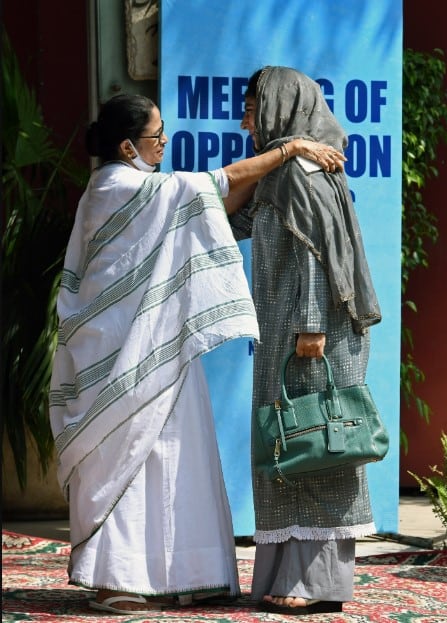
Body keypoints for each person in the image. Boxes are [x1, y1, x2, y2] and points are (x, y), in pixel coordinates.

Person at [48, 93, 343, 615]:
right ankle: (116, 579)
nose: (164, 143)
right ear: (126, 145)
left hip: (156, 346)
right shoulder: (119, 187)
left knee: (179, 455)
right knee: (129, 460)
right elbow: (215, 183)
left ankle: (192, 571)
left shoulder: (134, 187)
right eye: (156, 137)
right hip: (120, 358)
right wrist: (290, 148)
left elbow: (207, 200)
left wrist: (269, 168)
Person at [227, 66, 382, 615]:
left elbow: (319, 256)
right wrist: (282, 150)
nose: (246, 121)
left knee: (319, 449)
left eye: (252, 109)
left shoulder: (301, 175)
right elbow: (227, 217)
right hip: (284, 330)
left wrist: (312, 326)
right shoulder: (283, 168)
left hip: (311, 335)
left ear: (279, 107)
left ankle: (316, 586)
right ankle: (289, 575)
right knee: (287, 448)